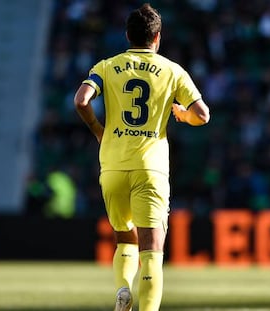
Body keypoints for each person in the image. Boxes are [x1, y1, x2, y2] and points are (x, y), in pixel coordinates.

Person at [74, 3, 210, 311]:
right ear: (157, 38)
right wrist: (183, 115)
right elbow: (203, 115)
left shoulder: (107, 66)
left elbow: (81, 100)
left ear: (127, 35)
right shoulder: (173, 70)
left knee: (125, 239)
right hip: (151, 168)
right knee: (153, 250)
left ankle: (123, 288)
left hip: (112, 166)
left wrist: (99, 130)